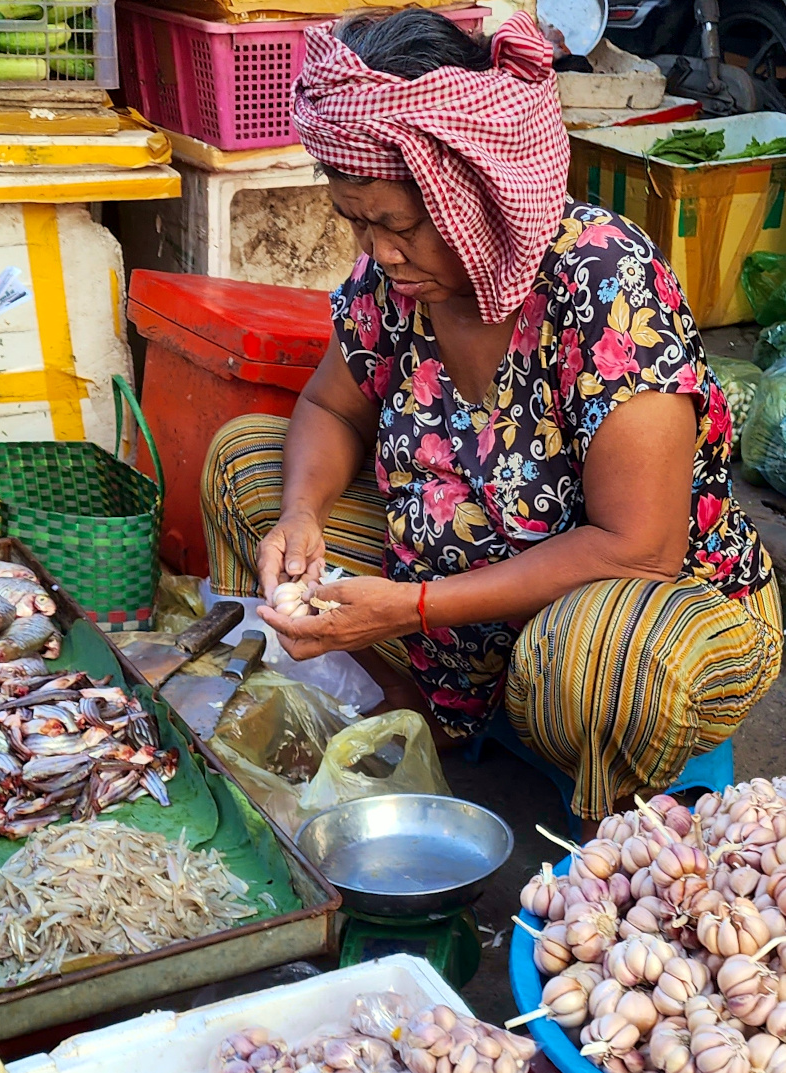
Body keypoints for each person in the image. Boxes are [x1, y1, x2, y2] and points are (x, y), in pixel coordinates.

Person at [201, 7, 782, 828]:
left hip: (647, 603)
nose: (377, 252)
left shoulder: (604, 283)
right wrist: (301, 513)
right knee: (245, 464)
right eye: (356, 222)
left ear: (476, 194)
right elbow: (331, 403)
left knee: (591, 663)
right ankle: (424, 714)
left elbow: (639, 546)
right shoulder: (395, 285)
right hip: (455, 606)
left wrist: (415, 606)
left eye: (397, 225)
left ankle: (625, 822)